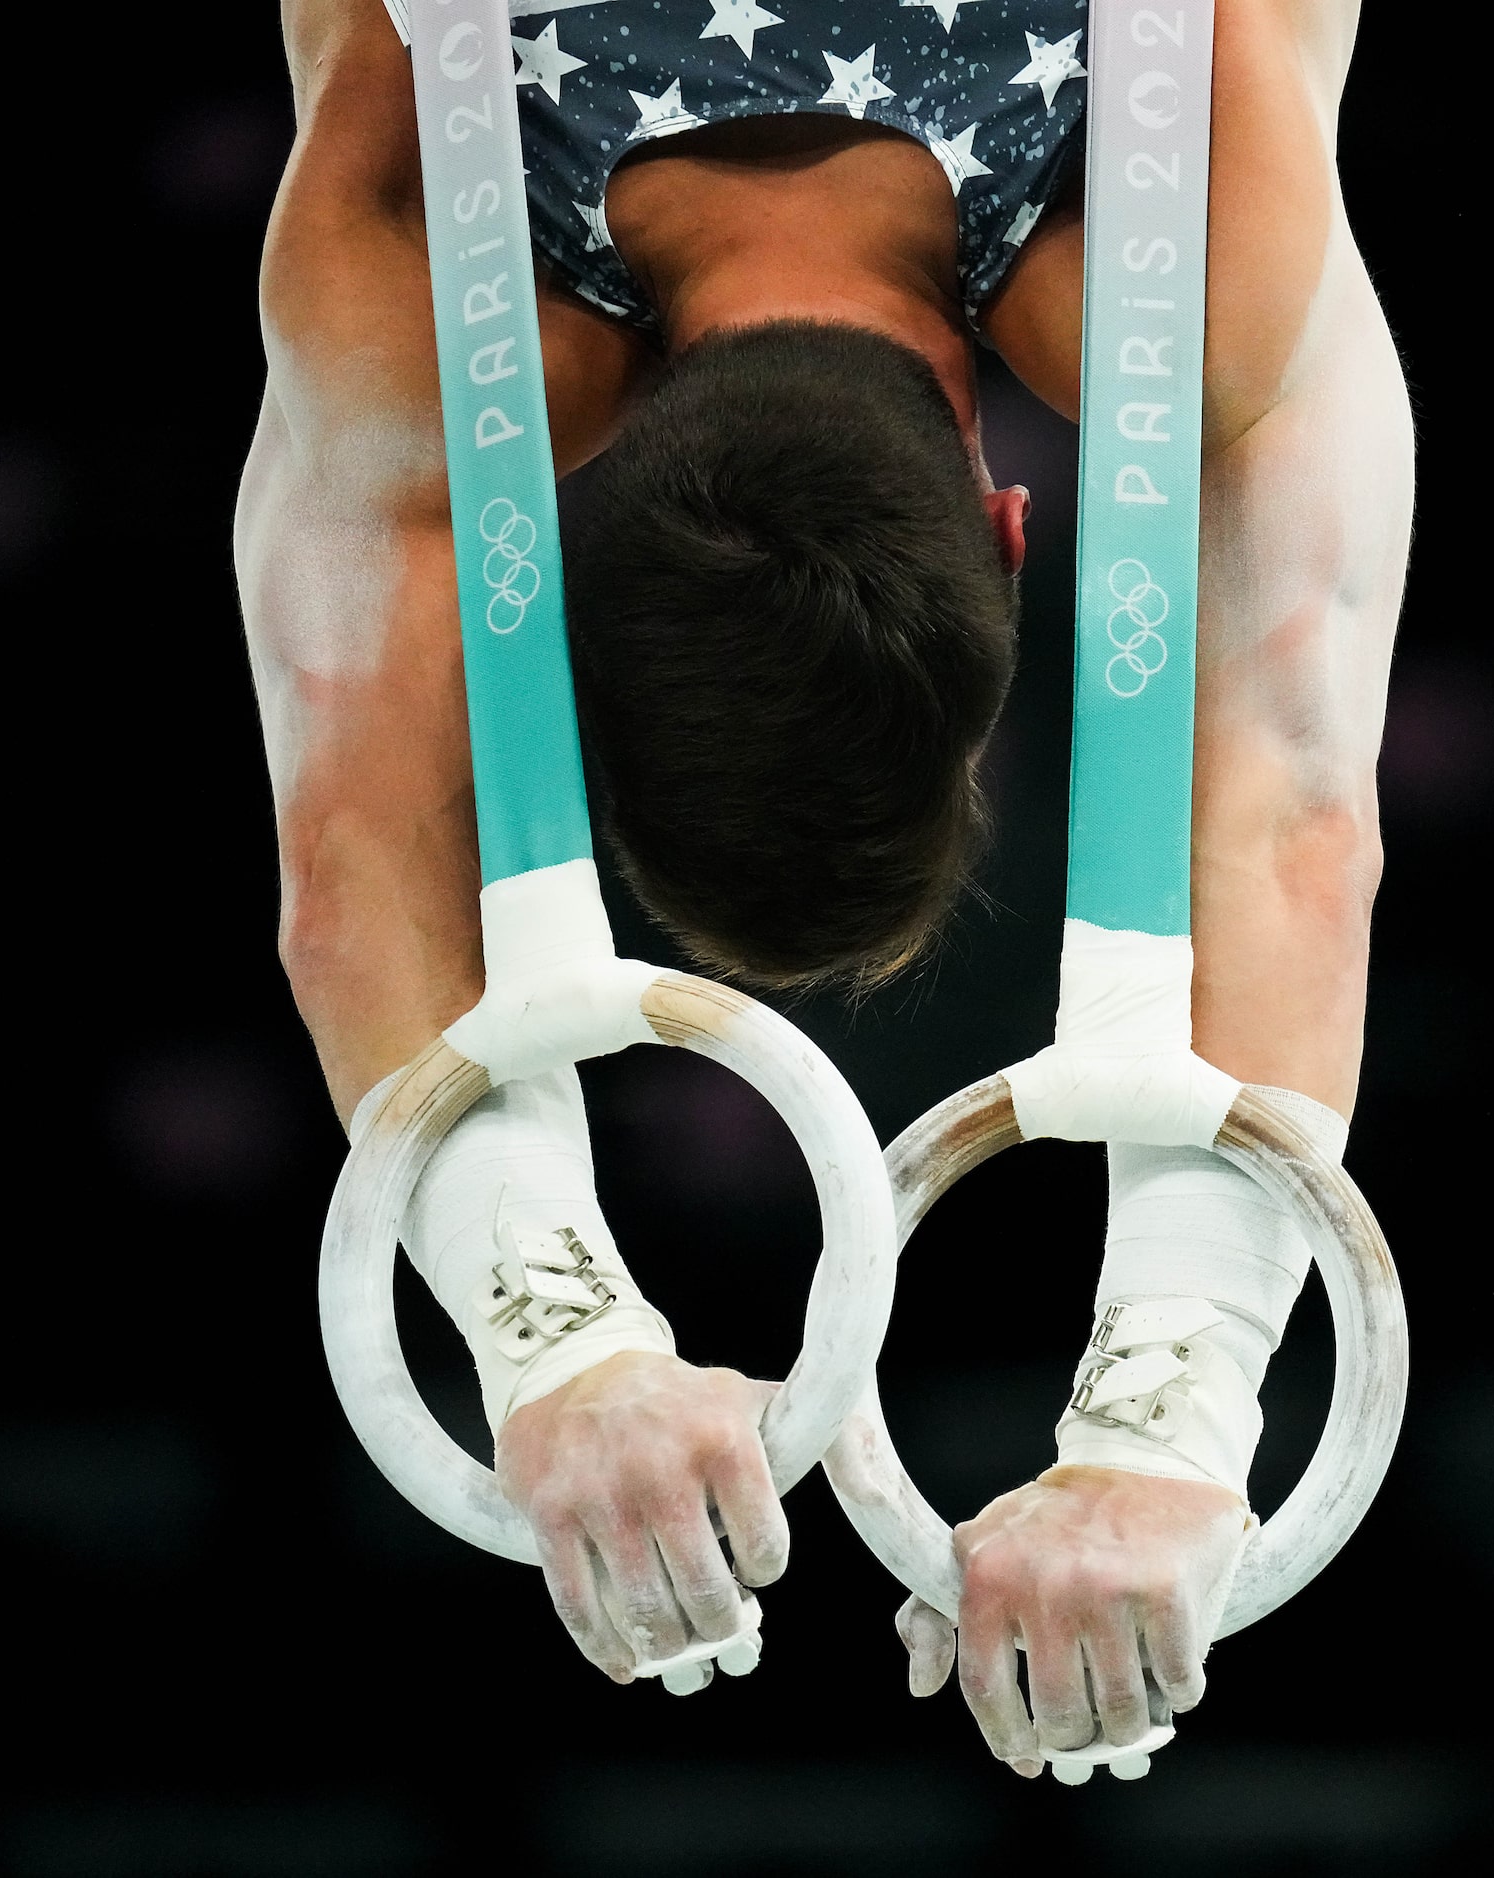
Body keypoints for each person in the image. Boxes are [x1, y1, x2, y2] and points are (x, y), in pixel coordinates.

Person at [237, 0, 1411, 1775]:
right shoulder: (412, 272)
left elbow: (1298, 827)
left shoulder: (1194, 269)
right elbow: (342, 869)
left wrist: (1160, 1451)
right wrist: (551, 1348)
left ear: (1012, 531)